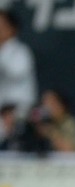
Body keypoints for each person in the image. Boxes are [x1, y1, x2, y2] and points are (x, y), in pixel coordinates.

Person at [0, 9, 37, 142]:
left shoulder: (20, 51)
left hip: (18, 112)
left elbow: (16, 73)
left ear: (12, 28)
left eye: (2, 25)